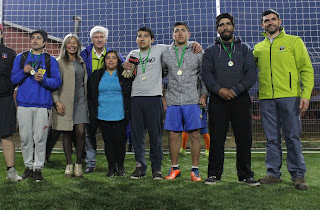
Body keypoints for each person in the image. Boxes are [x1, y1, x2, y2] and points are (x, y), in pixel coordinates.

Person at [122, 26, 202, 180]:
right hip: (136, 98)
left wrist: (193, 43)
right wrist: (123, 66)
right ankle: (140, 167)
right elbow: (127, 72)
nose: (142, 38)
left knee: (155, 136)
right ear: (136, 39)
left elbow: (179, 43)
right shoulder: (132, 54)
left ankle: (156, 169)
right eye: (139, 36)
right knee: (137, 135)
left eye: (146, 36)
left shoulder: (161, 49)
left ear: (152, 40)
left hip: (154, 98)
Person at [253, 9, 314, 190]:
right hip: (266, 99)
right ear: (262, 25)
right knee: (272, 138)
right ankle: (273, 173)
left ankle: (298, 175)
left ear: (279, 21)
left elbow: (307, 70)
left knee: (292, 137)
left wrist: (305, 95)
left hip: (290, 97)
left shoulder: (294, 41)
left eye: (273, 19)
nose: (270, 22)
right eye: (266, 20)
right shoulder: (258, 48)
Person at [201, 13, 260, 186]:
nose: (224, 27)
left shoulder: (245, 49)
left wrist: (235, 90)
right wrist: (219, 90)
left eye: (227, 24)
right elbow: (206, 74)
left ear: (233, 26)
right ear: (217, 29)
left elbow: (251, 75)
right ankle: (214, 174)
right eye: (221, 25)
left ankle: (245, 174)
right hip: (218, 101)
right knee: (217, 139)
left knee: (244, 138)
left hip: (240, 99)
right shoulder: (210, 51)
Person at [11, 30, 61, 182]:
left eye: (39, 38)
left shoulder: (50, 60)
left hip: (42, 105)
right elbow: (13, 80)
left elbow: (57, 82)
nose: (35, 40)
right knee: (25, 138)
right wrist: (23, 72)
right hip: (24, 104)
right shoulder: (21, 58)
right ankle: (28, 167)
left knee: (40, 138)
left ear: (44, 42)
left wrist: (44, 80)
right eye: (33, 38)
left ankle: (38, 168)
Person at [161, 22, 208, 181]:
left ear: (188, 34)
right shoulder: (166, 53)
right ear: (172, 35)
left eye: (183, 31)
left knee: (195, 134)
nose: (180, 33)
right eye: (176, 31)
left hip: (192, 99)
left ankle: (195, 170)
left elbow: (204, 76)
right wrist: (162, 95)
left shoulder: (197, 52)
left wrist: (204, 95)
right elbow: (160, 73)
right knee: (173, 135)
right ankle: (174, 168)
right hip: (173, 99)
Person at [80, 26, 125, 173]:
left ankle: (116, 165)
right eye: (96, 37)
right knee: (90, 132)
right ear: (92, 39)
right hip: (90, 99)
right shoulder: (84, 54)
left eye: (101, 37)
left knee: (114, 137)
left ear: (106, 39)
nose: (99, 40)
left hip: (112, 105)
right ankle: (91, 162)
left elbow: (125, 71)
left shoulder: (113, 55)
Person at [88, 50, 132, 177]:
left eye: (114, 58)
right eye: (108, 58)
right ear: (104, 61)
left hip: (120, 114)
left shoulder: (124, 74)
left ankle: (121, 167)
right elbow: (91, 94)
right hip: (103, 114)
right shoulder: (97, 75)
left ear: (118, 61)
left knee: (120, 142)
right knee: (108, 143)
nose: (111, 60)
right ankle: (111, 168)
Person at [52, 33, 88, 178]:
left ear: (78, 45)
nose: (72, 45)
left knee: (80, 132)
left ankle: (79, 163)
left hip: (81, 102)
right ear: (65, 45)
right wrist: (56, 101)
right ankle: (69, 164)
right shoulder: (58, 62)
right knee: (66, 132)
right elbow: (54, 84)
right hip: (64, 102)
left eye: (75, 43)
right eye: (69, 42)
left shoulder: (81, 61)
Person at [0, 23, 22, 182]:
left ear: (1, 34)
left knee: (6, 134)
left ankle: (11, 172)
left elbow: (14, 77)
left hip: (4, 99)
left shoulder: (10, 53)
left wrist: (7, 88)